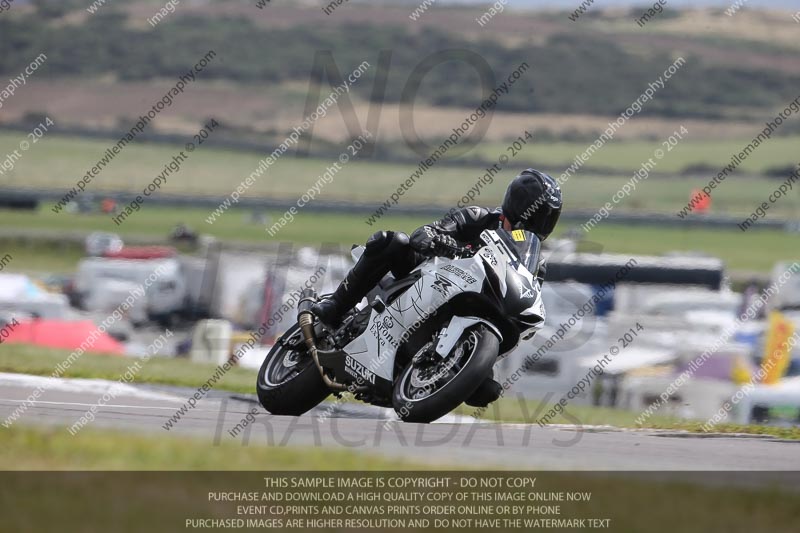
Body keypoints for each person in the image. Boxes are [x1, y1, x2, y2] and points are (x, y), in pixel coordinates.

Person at [312, 168, 562, 407]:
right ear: (519, 203)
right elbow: (425, 232)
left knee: (486, 387)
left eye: (549, 216)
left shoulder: (535, 262)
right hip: (428, 274)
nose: (542, 221)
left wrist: (480, 368)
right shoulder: (479, 217)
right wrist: (437, 239)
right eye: (541, 213)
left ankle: (455, 368)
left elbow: (526, 293)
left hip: (474, 304)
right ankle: (336, 306)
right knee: (392, 242)